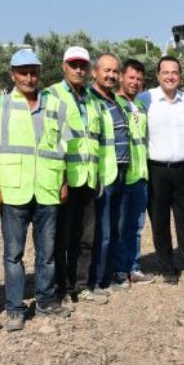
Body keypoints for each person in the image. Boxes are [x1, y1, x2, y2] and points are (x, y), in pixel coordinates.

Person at [0, 49, 72, 331]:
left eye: (33, 72)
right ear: (13, 75)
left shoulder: (56, 105)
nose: (29, 77)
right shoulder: (1, 106)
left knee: (46, 253)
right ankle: (15, 308)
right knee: (13, 254)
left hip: (47, 189)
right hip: (14, 191)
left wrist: (63, 182)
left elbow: (62, 149)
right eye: (23, 72)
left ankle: (45, 301)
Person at [138, 56, 184, 285]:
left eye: (175, 73)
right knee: (159, 222)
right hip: (156, 170)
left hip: (183, 169)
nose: (170, 77)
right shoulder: (145, 99)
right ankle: (167, 268)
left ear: (180, 76)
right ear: (158, 75)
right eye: (166, 72)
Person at [48, 46, 108, 306]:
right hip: (65, 181)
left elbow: (98, 141)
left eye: (83, 65)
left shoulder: (94, 101)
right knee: (62, 238)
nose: (78, 69)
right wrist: (59, 179)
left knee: (86, 237)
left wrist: (101, 177)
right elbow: (50, 142)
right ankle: (62, 287)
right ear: (64, 66)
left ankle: (81, 285)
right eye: (73, 64)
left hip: (89, 179)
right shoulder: (51, 95)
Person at [87, 53, 137, 292]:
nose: (111, 75)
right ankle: (96, 280)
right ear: (95, 72)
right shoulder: (89, 99)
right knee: (103, 231)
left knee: (116, 227)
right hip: (103, 175)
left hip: (121, 173)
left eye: (115, 71)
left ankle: (109, 276)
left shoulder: (116, 100)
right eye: (106, 70)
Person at [109, 59, 154, 287]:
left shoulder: (141, 107)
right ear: (121, 77)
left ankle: (134, 267)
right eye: (131, 77)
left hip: (141, 176)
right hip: (122, 176)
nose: (135, 82)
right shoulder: (113, 103)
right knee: (119, 226)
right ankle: (118, 270)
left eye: (139, 79)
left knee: (136, 226)